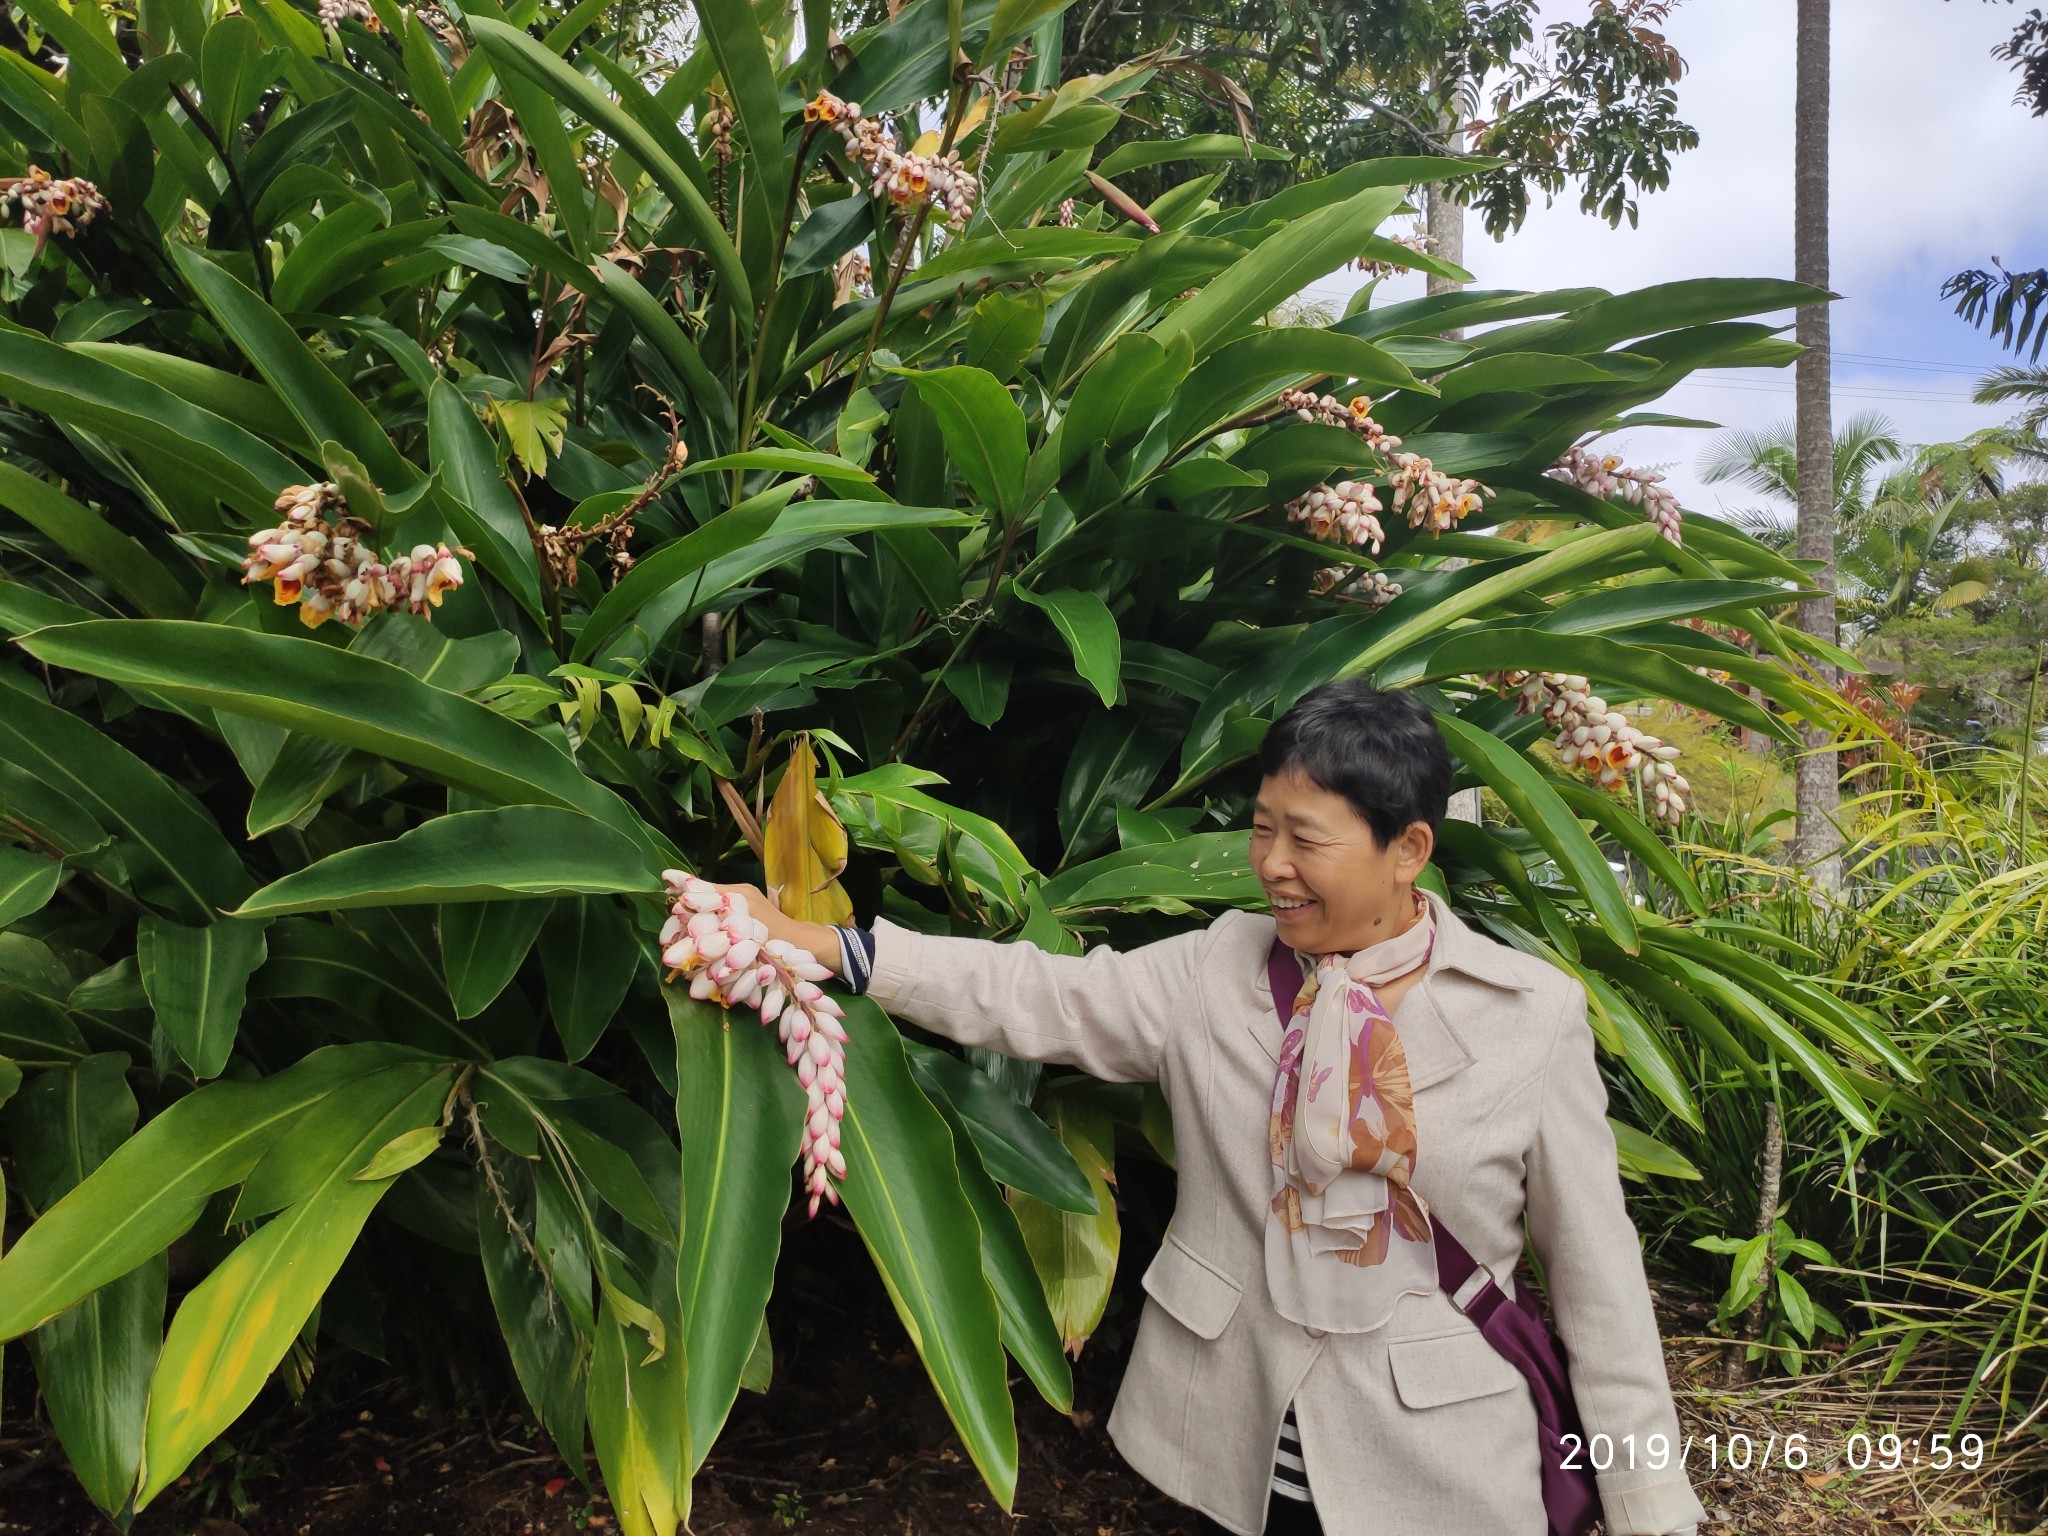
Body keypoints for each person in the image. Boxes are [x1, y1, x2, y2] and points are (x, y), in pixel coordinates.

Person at [719, 680, 1707, 1536]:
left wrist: (1648, 1503)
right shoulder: (1217, 967)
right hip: (1242, 1430)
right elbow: (1033, 994)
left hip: (1440, 1457)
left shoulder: (1527, 1017)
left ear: (1407, 849)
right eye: (1262, 826)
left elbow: (1597, 1283)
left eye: (1305, 838)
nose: (1270, 861)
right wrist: (833, 951)